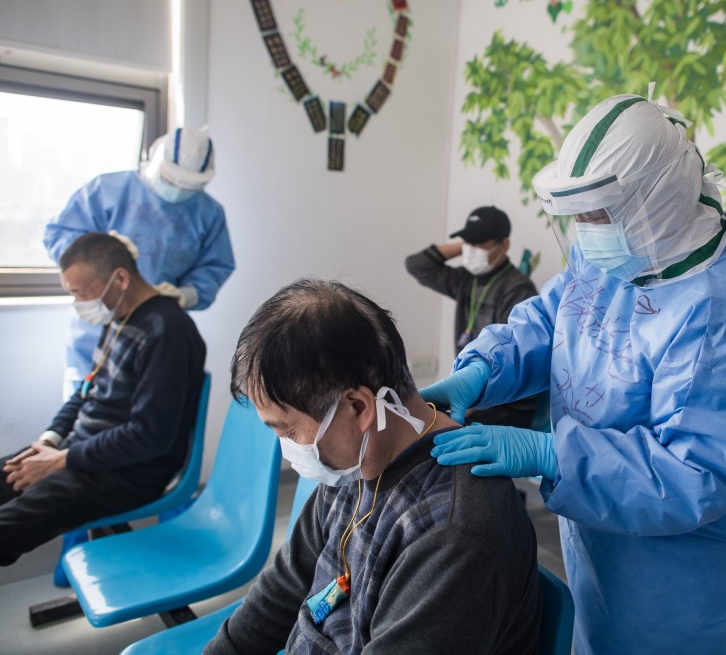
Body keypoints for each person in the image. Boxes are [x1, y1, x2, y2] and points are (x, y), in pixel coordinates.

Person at [424, 94, 726, 654]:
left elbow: (698, 475)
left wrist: (552, 455)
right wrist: (484, 370)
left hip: (683, 578)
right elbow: (557, 318)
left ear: (658, 196)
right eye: (578, 217)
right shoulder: (621, 247)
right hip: (600, 541)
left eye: (597, 213)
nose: (586, 230)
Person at [206, 278, 542, 655]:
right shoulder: (354, 465)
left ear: (359, 408)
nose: (288, 447)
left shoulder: (453, 535)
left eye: (289, 430)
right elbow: (285, 586)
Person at [0, 232, 206, 566]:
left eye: (79, 293)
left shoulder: (168, 331)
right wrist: (48, 442)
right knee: (8, 473)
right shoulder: (120, 318)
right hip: (83, 453)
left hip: (127, 474)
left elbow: (148, 436)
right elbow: (87, 390)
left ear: (120, 278)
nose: (77, 302)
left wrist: (62, 460)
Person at [43, 126, 234, 396]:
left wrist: (186, 294)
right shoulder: (107, 191)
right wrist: (97, 252)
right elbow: (60, 234)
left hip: (157, 327)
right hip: (97, 323)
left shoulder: (208, 214)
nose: (177, 190)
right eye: (171, 179)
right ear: (155, 159)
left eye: (189, 186)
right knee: (83, 405)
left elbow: (215, 266)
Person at [405, 205, 539, 428]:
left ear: (504, 244)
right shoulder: (467, 279)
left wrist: (463, 404)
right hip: (473, 394)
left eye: (479, 243)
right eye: (468, 243)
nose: (471, 250)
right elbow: (417, 266)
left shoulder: (518, 290)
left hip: (505, 406)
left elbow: (511, 363)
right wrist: (465, 245)